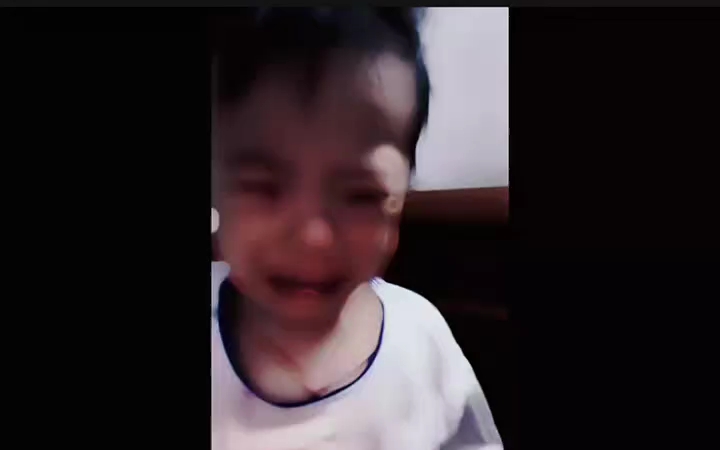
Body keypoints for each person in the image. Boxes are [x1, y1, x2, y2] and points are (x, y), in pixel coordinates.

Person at [211, 8, 503, 449]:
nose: (314, 237)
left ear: (402, 192)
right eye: (263, 187)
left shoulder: (423, 345)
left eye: (361, 195)